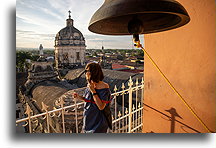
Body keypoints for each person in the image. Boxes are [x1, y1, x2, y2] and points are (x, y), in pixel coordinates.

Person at [73, 62, 112, 133]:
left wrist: (93, 91)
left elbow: (101, 106)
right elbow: (88, 100)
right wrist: (79, 97)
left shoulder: (104, 86)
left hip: (98, 120)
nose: (85, 73)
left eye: (87, 71)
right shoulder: (89, 84)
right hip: (88, 118)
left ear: (93, 72)